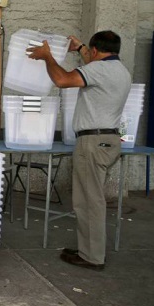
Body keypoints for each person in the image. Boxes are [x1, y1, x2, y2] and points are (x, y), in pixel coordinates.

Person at [27, 31, 131, 270]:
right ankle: (88, 249)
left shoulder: (98, 70)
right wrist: (81, 47)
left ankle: (92, 257)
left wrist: (47, 57)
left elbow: (62, 80)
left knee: (88, 201)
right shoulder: (119, 70)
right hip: (109, 140)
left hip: (93, 143)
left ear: (95, 51)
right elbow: (94, 64)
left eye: (88, 52)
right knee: (90, 199)